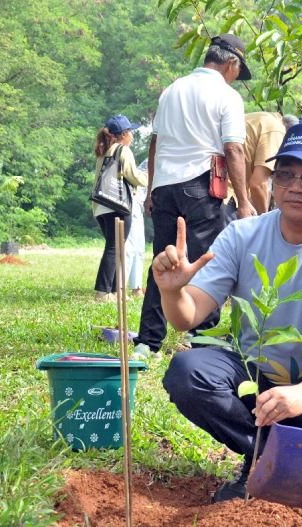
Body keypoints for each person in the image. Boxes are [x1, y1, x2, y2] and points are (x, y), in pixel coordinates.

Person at [154, 122, 302, 503]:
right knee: (188, 373)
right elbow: (187, 317)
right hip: (256, 378)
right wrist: (173, 291)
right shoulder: (241, 235)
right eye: (285, 174)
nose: (296, 186)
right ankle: (266, 458)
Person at [133, 34, 258, 360]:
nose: (236, 78)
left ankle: (148, 342)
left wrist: (150, 191)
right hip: (201, 187)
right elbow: (233, 148)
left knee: (162, 262)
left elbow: (154, 144)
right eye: (237, 72)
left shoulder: (172, 90)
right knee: (206, 262)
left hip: (164, 188)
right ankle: (206, 342)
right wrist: (244, 202)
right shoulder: (226, 96)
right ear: (232, 63)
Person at [92, 115, 147, 302]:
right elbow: (133, 176)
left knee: (115, 247)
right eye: (130, 131)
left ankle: (115, 292)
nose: (132, 135)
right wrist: (151, 179)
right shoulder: (123, 150)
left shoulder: (104, 151)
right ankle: (103, 292)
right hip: (118, 205)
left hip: (101, 206)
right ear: (123, 134)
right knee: (115, 248)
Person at [242, 112, 298, 213]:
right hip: (227, 194)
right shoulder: (276, 130)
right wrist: (264, 219)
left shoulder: (259, 118)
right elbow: (258, 184)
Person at [126, 160, 150, 297]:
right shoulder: (152, 161)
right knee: (131, 247)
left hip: (138, 206)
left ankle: (137, 287)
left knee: (139, 248)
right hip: (132, 202)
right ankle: (122, 288)